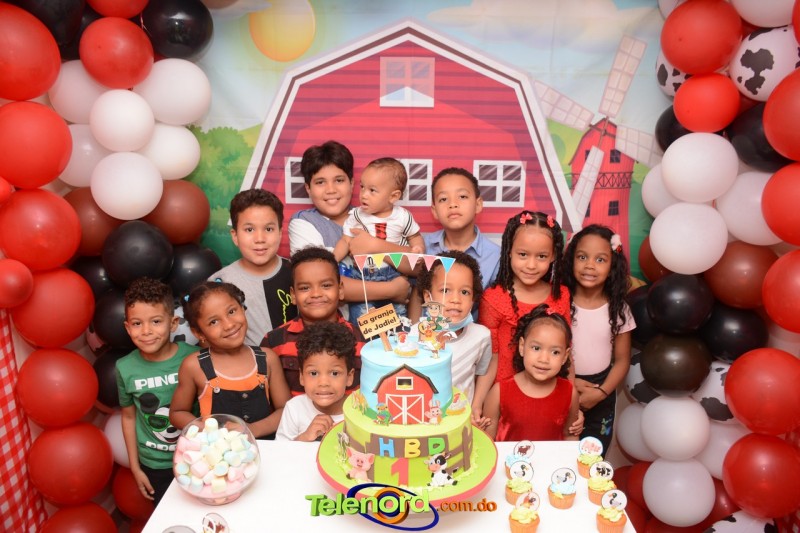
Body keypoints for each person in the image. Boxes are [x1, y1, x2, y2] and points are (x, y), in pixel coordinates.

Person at [287, 141, 410, 316]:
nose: (331, 190)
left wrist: (374, 245)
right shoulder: (304, 222)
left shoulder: (375, 216)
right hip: (335, 326)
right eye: (320, 182)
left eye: (339, 180)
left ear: (352, 183)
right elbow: (318, 285)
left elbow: (415, 266)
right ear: (308, 188)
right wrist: (393, 289)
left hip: (388, 320)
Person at [169, 282, 290, 439]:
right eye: (214, 321)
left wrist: (252, 430)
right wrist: (209, 430)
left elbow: (286, 410)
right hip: (216, 451)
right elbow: (177, 412)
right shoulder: (194, 366)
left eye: (232, 311)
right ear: (198, 332)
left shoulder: (267, 358)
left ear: (242, 308)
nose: (228, 325)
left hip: (264, 449)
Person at [115, 277, 197, 506]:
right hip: (155, 464)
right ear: (127, 327)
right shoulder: (124, 367)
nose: (146, 331)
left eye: (156, 321)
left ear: (173, 323)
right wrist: (135, 467)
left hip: (196, 456)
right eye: (137, 323)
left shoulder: (193, 357)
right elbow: (128, 417)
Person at [563, 224, 635, 453]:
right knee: (560, 451)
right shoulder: (560, 303)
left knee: (593, 454)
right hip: (561, 384)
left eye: (600, 259)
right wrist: (570, 383)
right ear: (571, 260)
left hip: (600, 389)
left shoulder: (619, 309)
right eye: (582, 257)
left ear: (612, 265)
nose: (589, 265)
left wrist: (601, 393)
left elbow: (622, 360)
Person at [479, 210, 570, 385]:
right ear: (509, 251)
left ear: (553, 256)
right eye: (523, 254)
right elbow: (489, 359)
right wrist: (480, 399)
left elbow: (566, 353)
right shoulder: (492, 299)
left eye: (541, 256)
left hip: (548, 392)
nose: (531, 265)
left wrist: (571, 394)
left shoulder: (560, 296)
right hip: (503, 393)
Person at [262, 246, 365, 396]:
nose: (316, 294)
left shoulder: (361, 339)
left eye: (326, 285)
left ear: (340, 290)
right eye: (305, 288)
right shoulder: (274, 342)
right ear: (293, 295)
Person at [333, 157, 425, 323]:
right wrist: (332, 260)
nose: (364, 195)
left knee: (396, 322)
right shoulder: (356, 215)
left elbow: (414, 236)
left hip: (393, 275)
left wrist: (418, 248)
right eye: (362, 187)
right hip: (362, 276)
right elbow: (345, 241)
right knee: (362, 321)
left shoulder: (402, 216)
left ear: (393, 196)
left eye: (372, 190)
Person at [415, 250, 493, 428]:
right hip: (423, 424)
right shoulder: (414, 336)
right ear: (428, 297)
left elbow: (484, 371)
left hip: (461, 422)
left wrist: (476, 407)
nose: (456, 299)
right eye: (445, 290)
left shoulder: (481, 336)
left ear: (473, 299)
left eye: (465, 292)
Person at [209, 189, 297, 346]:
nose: (260, 239)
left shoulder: (298, 272)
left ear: (280, 233)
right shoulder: (219, 284)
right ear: (235, 236)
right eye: (249, 230)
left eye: (268, 229)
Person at [483, 304, 580, 441]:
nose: (544, 359)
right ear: (522, 346)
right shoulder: (499, 392)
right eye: (536, 348)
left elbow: (570, 436)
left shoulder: (570, 393)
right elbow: (486, 441)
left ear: (565, 356)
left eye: (555, 352)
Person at [275, 321, 356, 441]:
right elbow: (280, 449)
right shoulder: (294, 408)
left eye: (334, 373)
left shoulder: (359, 411)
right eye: (313, 373)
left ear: (349, 377)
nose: (323, 383)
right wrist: (305, 437)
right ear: (302, 377)